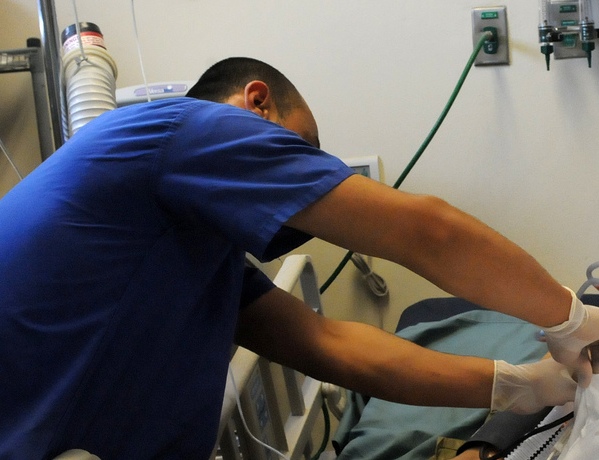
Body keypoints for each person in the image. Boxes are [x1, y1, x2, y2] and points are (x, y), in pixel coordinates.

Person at [0, 56, 597, 459]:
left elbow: (328, 346)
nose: (300, 175)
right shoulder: (181, 128)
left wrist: (524, 386)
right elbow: (426, 233)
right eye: (297, 149)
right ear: (256, 103)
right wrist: (575, 319)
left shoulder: (193, 247)